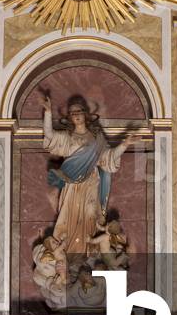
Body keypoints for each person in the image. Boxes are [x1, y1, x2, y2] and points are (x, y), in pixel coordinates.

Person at [40, 93, 134, 255]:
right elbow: (49, 136)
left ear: (86, 114)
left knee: (91, 214)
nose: (76, 115)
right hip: (71, 185)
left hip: (91, 183)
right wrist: (48, 113)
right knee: (71, 216)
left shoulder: (96, 139)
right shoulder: (67, 138)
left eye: (79, 111)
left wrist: (124, 144)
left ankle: (90, 251)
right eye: (72, 113)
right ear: (69, 117)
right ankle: (69, 252)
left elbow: (108, 158)